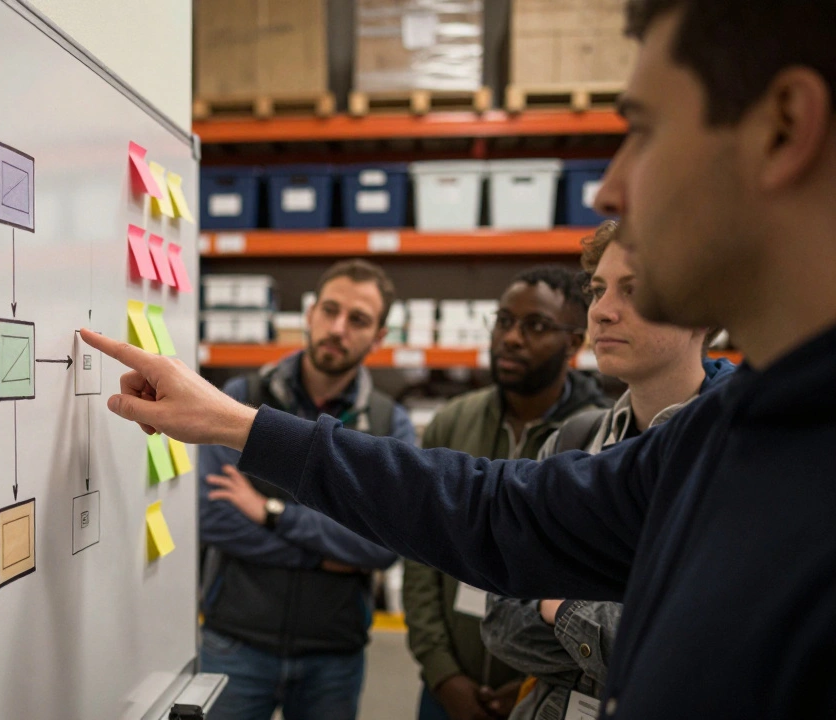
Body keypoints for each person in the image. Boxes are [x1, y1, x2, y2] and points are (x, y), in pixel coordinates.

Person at [78, 0, 836, 715]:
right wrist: (238, 423)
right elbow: (491, 509)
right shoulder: (724, 433)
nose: (609, 190)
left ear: (783, 127)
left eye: (646, 129)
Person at [478, 221, 735, 720]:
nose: (601, 311)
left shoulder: (743, 452)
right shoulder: (574, 441)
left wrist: (560, 607)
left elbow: (703, 656)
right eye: (598, 289)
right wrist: (620, 635)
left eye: (633, 290)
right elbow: (499, 620)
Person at [198, 259, 414, 720]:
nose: (338, 328)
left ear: (378, 337)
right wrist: (330, 554)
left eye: (357, 320)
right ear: (310, 315)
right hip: (235, 641)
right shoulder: (240, 397)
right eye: (330, 311)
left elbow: (384, 547)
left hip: (332, 656)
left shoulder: (386, 424)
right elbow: (214, 517)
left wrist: (271, 514)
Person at [403, 266, 608, 720]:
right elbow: (418, 556)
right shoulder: (452, 422)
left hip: (544, 692)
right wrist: (442, 673)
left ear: (574, 344)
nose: (512, 338)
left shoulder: (597, 441)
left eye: (536, 326)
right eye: (504, 321)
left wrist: (532, 680)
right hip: (444, 693)